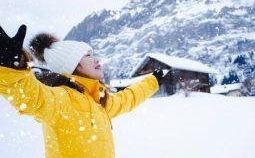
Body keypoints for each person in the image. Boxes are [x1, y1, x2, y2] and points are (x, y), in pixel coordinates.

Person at [0, 25, 164, 158]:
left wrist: (153, 81)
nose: (96, 59)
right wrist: (12, 67)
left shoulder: (99, 101)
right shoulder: (62, 99)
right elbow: (32, 96)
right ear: (72, 65)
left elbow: (128, 98)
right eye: (88, 55)